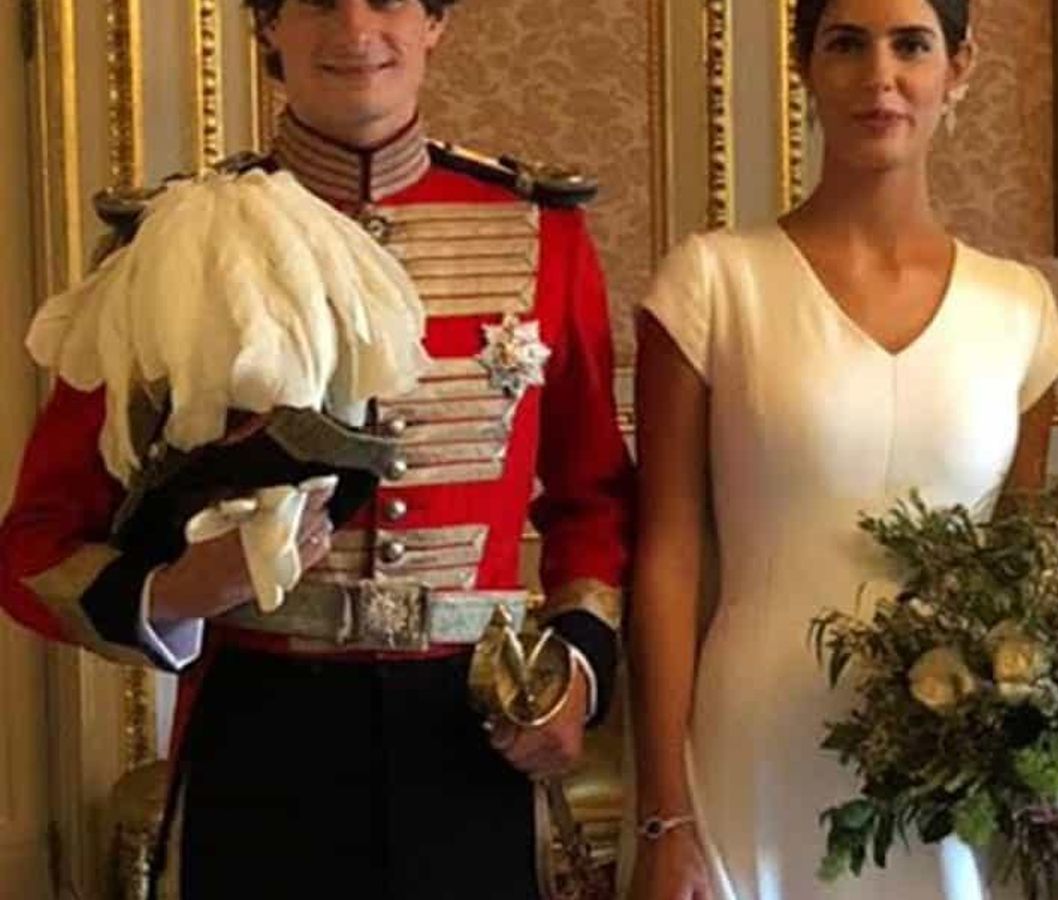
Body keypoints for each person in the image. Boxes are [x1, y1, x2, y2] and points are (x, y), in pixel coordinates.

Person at [0, 1, 633, 898]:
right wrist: (175, 590)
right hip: (260, 725)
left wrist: (575, 665)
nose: (354, 29)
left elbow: (594, 494)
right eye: (317, 1)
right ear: (267, 27)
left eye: (387, 0)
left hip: (472, 730)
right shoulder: (175, 244)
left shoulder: (543, 231)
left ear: (435, 23)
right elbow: (35, 541)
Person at [626, 0, 1058, 897]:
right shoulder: (714, 283)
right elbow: (669, 558)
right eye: (846, 44)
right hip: (752, 752)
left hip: (947, 787)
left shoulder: (1020, 311)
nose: (880, 76)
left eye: (911, 45)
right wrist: (665, 816)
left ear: (960, 66)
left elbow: (1024, 587)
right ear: (805, 66)